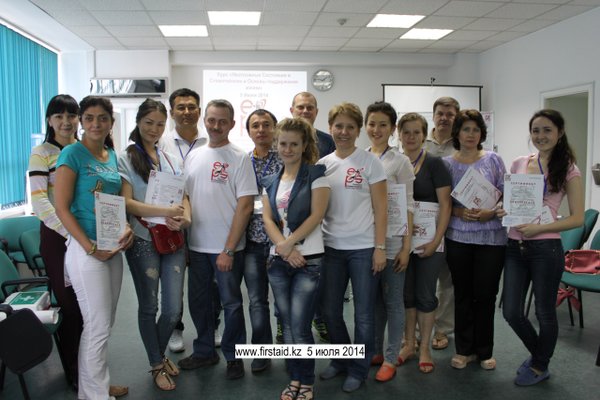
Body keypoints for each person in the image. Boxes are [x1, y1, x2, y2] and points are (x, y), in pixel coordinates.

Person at [54, 96, 134, 400]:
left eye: (102, 118)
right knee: (97, 325)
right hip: (85, 249)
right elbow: (62, 208)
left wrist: (125, 228)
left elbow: (117, 203)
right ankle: (96, 395)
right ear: (81, 121)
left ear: (111, 122)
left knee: (104, 324)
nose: (95, 124)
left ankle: (94, 389)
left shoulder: (111, 156)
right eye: (89, 118)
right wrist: (89, 247)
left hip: (112, 248)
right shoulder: (72, 154)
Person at [500, 109, 583, 386]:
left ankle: (539, 365)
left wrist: (538, 229)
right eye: (535, 130)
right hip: (514, 245)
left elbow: (577, 218)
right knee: (511, 311)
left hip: (546, 248)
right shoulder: (519, 163)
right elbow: (509, 200)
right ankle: (540, 355)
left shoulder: (568, 168)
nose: (540, 136)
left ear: (560, 133)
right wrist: (503, 210)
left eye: (547, 130)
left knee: (544, 313)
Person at [178, 99, 257, 380]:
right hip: (197, 246)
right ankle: (204, 351)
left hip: (226, 248)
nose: (216, 126)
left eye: (222, 121)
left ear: (232, 124)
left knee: (231, 303)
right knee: (199, 302)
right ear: (205, 121)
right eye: (211, 120)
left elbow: (245, 206)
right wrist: (185, 243)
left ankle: (234, 357)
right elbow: (185, 198)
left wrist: (229, 249)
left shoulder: (239, 157)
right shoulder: (194, 156)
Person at [118, 99, 191, 391]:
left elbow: (183, 195)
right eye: (149, 123)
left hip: (173, 238)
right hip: (143, 239)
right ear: (138, 122)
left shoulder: (170, 157)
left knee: (173, 309)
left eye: (160, 124)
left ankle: (158, 357)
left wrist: (184, 218)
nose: (154, 129)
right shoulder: (126, 157)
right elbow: (127, 202)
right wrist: (164, 211)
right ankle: (157, 363)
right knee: (149, 306)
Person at [318, 102, 387, 393]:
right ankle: (342, 358)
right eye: (338, 126)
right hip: (330, 247)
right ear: (330, 128)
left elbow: (381, 208)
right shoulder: (323, 164)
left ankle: (359, 369)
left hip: (363, 248)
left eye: (350, 127)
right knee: (329, 311)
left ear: (358, 131)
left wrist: (380, 247)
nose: (343, 132)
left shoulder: (370, 162)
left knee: (364, 315)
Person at [262, 117, 330, 400]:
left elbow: (317, 215)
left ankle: (307, 382)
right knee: (288, 324)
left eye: (294, 144)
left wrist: (289, 244)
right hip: (278, 261)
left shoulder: (316, 175)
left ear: (304, 146)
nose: (288, 149)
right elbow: (267, 219)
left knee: (300, 326)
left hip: (308, 260)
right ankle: (295, 379)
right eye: (283, 144)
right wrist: (284, 248)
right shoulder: (270, 180)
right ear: (276, 145)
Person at [443, 109, 507, 371]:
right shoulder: (446, 164)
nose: (471, 134)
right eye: (466, 129)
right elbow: (443, 203)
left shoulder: (494, 160)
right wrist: (459, 212)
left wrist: (492, 211)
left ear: (482, 133)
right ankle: (464, 350)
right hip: (458, 237)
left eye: (476, 130)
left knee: (486, 295)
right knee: (463, 294)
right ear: (457, 133)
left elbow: (507, 194)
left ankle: (484, 351)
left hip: (492, 238)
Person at [28, 94, 82, 388]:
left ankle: (90, 370)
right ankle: (75, 373)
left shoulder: (84, 150)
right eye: (58, 116)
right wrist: (70, 232)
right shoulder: (42, 153)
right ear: (49, 120)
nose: (65, 122)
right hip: (57, 237)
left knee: (90, 306)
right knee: (70, 306)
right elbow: (40, 202)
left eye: (71, 115)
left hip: (86, 234)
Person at [364, 102, 415, 382]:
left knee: (394, 301)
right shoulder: (360, 158)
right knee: (374, 302)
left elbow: (408, 205)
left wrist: (406, 247)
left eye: (383, 124)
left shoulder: (400, 161)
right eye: (372, 123)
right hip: (365, 240)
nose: (377, 129)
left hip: (393, 241)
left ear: (392, 128)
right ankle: (375, 350)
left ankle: (391, 357)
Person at [398, 112, 452, 374]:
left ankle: (425, 348)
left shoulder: (434, 164)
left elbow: (446, 205)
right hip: (401, 242)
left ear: (424, 135)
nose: (411, 137)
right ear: (398, 134)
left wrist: (436, 241)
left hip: (430, 241)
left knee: (426, 294)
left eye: (416, 132)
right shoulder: (395, 163)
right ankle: (409, 344)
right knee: (407, 294)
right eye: (406, 132)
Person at [158, 88, 209, 353]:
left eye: (192, 107)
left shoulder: (211, 140)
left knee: (206, 280)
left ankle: (212, 325)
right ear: (172, 112)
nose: (187, 112)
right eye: (181, 107)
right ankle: (175, 328)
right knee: (173, 280)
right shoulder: (161, 142)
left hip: (206, 220)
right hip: (172, 220)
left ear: (199, 111)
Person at [290, 91, 335, 343]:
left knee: (318, 277)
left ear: (316, 112)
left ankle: (319, 318)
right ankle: (285, 326)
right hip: (290, 221)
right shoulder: (282, 138)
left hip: (320, 219)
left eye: (310, 107)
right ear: (292, 110)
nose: (305, 111)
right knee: (288, 279)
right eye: (300, 107)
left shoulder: (328, 141)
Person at [243, 108, 281, 372]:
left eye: (266, 124)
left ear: (274, 129)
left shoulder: (285, 158)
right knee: (257, 301)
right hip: (252, 243)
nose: (261, 130)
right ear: (248, 131)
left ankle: (291, 352)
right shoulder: (242, 161)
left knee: (284, 302)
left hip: (281, 242)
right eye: (255, 125)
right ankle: (261, 352)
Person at [424, 96, 459, 351]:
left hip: (454, 220)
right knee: (423, 279)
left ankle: (443, 329)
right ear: (433, 115)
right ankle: (416, 329)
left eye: (450, 114)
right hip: (423, 220)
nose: (444, 118)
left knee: (448, 279)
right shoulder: (419, 142)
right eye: (440, 113)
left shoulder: (462, 144)